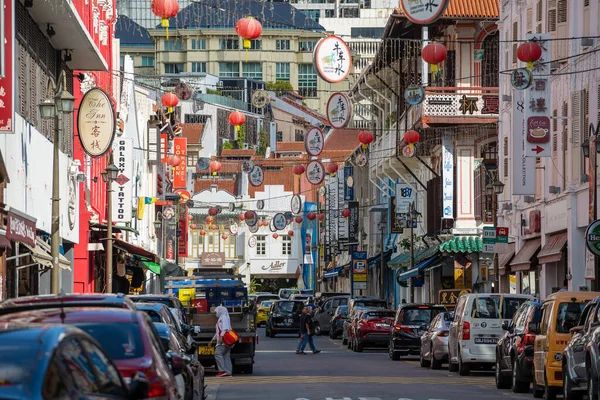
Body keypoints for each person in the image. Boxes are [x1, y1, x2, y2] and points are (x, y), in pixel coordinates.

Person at [209, 306, 233, 377]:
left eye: (216, 312)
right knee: (226, 356)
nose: (216, 313)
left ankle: (222, 371)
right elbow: (218, 332)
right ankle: (228, 372)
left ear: (220, 311)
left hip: (223, 340)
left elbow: (225, 328)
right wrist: (212, 340)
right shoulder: (222, 318)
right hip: (225, 340)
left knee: (218, 354)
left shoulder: (223, 317)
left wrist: (221, 337)